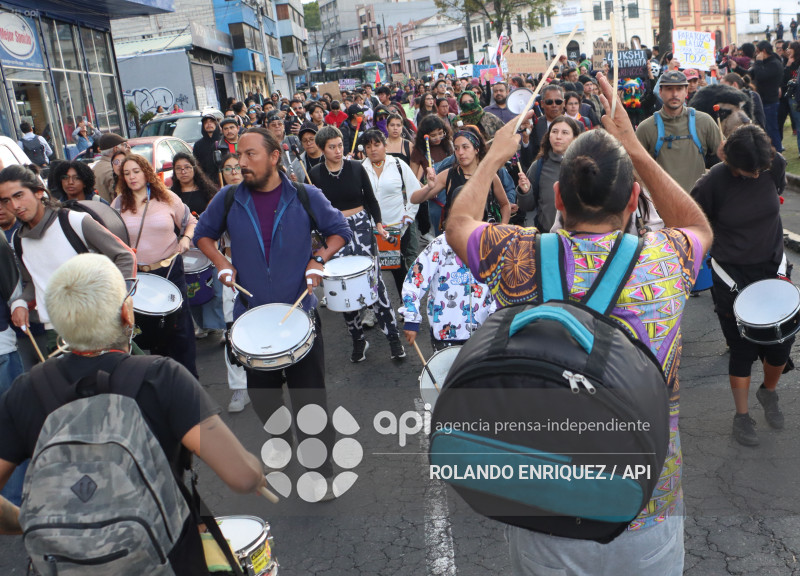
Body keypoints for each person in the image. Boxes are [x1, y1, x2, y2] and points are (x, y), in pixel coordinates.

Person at [445, 72, 712, 575]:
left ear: (559, 202)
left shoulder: (516, 254)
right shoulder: (666, 260)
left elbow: (458, 225)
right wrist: (633, 146)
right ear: (633, 201)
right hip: (646, 505)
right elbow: (696, 223)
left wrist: (493, 159)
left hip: (546, 509)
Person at [0, 253, 267, 575]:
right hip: (167, 559)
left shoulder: (25, 390)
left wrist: (32, 522)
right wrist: (256, 473)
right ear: (127, 313)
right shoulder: (162, 377)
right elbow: (241, 477)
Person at [195, 128, 351, 498]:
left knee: (310, 402)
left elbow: (339, 231)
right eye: (238, 156)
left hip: (300, 316)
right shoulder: (229, 198)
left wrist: (318, 260)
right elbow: (204, 234)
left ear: (275, 156)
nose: (240, 164)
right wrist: (221, 263)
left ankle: (320, 471)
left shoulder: (304, 196)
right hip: (251, 320)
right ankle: (281, 443)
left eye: (250, 155)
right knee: (264, 401)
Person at [691, 125, 789, 446]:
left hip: (772, 267)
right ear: (730, 161)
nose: (756, 174)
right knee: (743, 349)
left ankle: (769, 393)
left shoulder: (771, 165)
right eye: (750, 171)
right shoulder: (712, 183)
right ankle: (742, 417)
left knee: (780, 345)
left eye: (760, 169)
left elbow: (776, 195)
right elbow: (695, 223)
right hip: (732, 276)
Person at [2, 165, 136, 352]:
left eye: (19, 195)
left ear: (39, 192)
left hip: (96, 327)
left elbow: (125, 255)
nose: (14, 206)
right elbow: (34, 282)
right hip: (54, 334)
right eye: (6, 200)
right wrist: (20, 303)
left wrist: (115, 303)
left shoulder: (74, 221)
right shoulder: (19, 239)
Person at [310, 126, 406, 361]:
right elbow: (311, 209)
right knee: (345, 287)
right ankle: (358, 340)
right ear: (322, 149)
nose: (337, 150)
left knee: (373, 282)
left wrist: (380, 225)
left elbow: (370, 199)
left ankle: (393, 337)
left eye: (340, 145)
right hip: (333, 233)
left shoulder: (356, 167)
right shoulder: (314, 174)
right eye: (332, 147)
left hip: (362, 228)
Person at [113, 154, 198, 377]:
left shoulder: (167, 198)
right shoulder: (119, 203)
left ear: (146, 172)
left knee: (179, 329)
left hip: (170, 270)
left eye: (136, 171)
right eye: (127, 173)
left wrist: (186, 239)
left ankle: (189, 380)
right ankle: (162, 382)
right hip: (138, 276)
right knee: (150, 331)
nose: (132, 177)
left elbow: (190, 222)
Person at [400, 189, 494, 351]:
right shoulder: (439, 245)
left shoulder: (492, 245)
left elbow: (504, 289)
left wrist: (495, 318)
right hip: (446, 334)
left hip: (485, 334)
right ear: (452, 212)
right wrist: (411, 317)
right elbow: (414, 280)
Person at [635, 70, 722, 192]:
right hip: (661, 206)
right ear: (660, 91)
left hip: (698, 205)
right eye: (669, 88)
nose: (674, 94)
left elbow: (726, 157)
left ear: (686, 91)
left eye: (679, 88)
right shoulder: (645, 128)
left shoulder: (704, 122)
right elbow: (635, 170)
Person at [411, 125, 510, 228]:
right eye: (456, 148)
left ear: (476, 149)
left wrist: (502, 228)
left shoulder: (490, 175)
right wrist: (429, 187)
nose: (460, 153)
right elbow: (414, 199)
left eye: (465, 147)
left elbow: (505, 205)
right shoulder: (448, 175)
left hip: (484, 236)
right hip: (456, 237)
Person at [361, 129, 421, 293]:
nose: (373, 149)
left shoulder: (398, 165)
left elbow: (414, 192)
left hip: (398, 228)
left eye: (377, 144)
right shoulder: (359, 169)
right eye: (368, 146)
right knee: (370, 269)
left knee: (399, 268)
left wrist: (409, 214)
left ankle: (406, 304)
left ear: (385, 145)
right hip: (371, 229)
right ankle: (371, 308)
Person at [516, 116, 582, 230]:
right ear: (548, 135)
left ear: (575, 138)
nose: (558, 137)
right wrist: (525, 192)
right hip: (547, 236)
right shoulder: (538, 166)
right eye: (554, 131)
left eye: (565, 132)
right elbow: (527, 206)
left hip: (579, 238)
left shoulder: (585, 167)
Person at [751, 41, 786, 151]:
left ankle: (778, 154)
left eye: (757, 52)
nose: (756, 55)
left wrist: (759, 62)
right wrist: (736, 67)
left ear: (764, 51)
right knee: (766, 130)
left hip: (770, 101)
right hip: (763, 101)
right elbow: (753, 74)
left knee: (772, 130)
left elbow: (760, 76)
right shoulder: (766, 63)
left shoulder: (774, 64)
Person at [93, 133, 129, 202]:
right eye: (124, 145)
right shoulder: (114, 170)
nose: (126, 148)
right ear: (116, 149)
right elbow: (118, 201)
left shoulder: (95, 167)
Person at [193, 112, 228, 183]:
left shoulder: (224, 141)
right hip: (208, 182)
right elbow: (196, 165)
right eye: (206, 122)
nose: (209, 124)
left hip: (224, 179)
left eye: (211, 122)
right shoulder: (198, 145)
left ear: (216, 124)